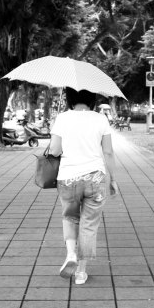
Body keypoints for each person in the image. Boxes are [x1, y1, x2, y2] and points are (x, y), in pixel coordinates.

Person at [49, 88, 119, 285]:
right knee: (89, 225)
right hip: (95, 179)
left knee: (70, 217)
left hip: (68, 178)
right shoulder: (100, 119)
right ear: (92, 98)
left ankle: (71, 254)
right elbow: (109, 152)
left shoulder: (62, 118)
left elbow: (54, 150)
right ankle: (81, 272)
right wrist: (113, 179)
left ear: (69, 97)